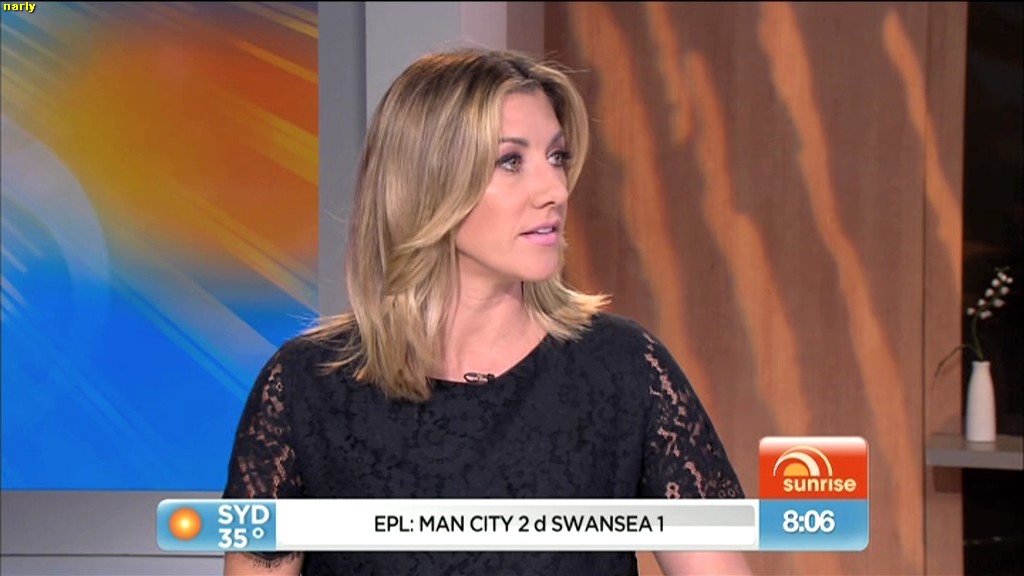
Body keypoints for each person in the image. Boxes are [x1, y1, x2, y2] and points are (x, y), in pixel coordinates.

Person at [223, 47, 751, 576]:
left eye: (557, 157)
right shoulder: (303, 388)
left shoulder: (627, 370)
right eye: (511, 161)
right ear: (428, 181)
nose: (554, 190)